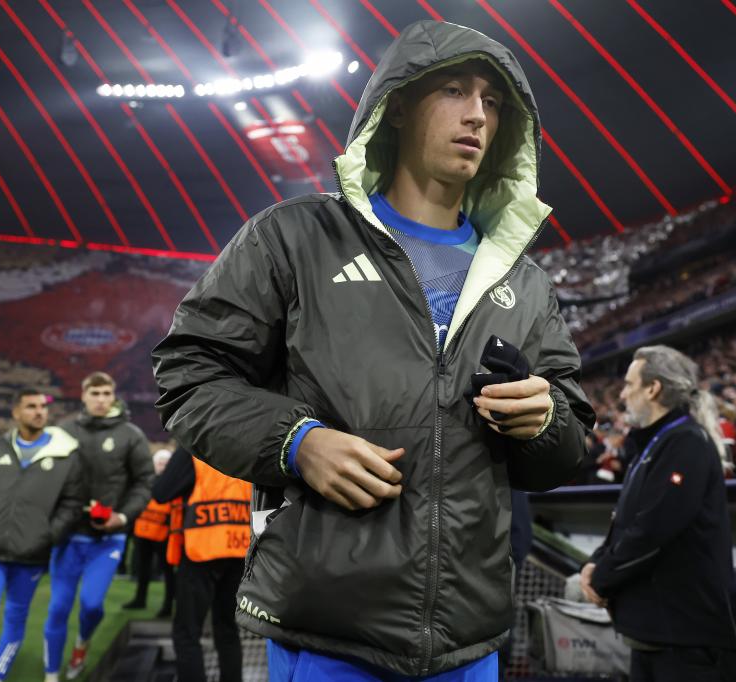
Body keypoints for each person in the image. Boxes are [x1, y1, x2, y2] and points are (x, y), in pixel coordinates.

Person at [153, 19, 594, 680]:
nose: (477, 114)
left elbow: (568, 444)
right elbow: (189, 373)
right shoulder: (296, 237)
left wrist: (546, 418)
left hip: (469, 642)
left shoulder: (525, 282)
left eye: (493, 101)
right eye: (454, 90)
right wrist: (298, 443)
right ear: (398, 108)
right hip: (328, 634)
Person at [580, 346, 736, 682]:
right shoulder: (657, 443)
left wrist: (601, 576)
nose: (622, 395)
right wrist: (596, 561)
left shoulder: (686, 442)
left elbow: (653, 530)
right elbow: (626, 521)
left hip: (687, 640)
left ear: (653, 388)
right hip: (659, 634)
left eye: (629, 385)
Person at [0, 388, 84, 682]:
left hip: (31, 554)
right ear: (16, 412)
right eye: (31, 406)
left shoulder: (66, 455)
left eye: (42, 406)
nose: (39, 412)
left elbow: (72, 503)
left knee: (15, 619)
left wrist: (49, 535)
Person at [43, 371, 154, 681]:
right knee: (58, 608)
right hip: (68, 537)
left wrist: (123, 517)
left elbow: (144, 482)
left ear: (113, 396)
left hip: (107, 540)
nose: (101, 399)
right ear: (84, 396)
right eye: (95, 393)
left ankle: (82, 644)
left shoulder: (130, 435)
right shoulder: (63, 432)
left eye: (106, 393)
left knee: (91, 605)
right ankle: (51, 674)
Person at [151, 447, 251, 682]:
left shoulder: (192, 448)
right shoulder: (246, 447)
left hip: (202, 549)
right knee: (228, 629)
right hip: (239, 548)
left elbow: (162, 492)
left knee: (187, 633)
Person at [123, 448, 175, 617]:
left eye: (165, 463)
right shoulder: (146, 481)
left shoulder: (174, 482)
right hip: (143, 530)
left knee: (167, 571)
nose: (162, 466)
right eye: (159, 463)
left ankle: (168, 605)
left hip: (163, 533)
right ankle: (140, 599)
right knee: (142, 568)